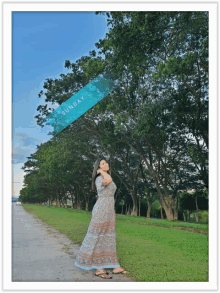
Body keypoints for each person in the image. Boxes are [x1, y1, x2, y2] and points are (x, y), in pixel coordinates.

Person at [74, 158, 129, 279]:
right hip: (101, 210)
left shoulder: (106, 176)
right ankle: (99, 269)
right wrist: (100, 172)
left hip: (109, 211)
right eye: (103, 163)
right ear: (98, 168)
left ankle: (115, 265)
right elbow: (108, 180)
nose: (107, 164)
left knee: (109, 238)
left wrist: (102, 170)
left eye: (106, 162)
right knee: (98, 237)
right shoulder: (100, 178)